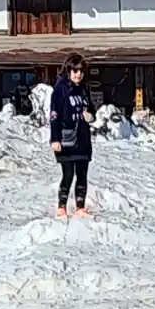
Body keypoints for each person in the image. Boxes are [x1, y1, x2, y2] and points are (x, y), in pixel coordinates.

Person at [49, 53, 94, 220]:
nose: (78, 74)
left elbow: (91, 108)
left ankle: (80, 207)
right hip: (66, 139)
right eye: (75, 71)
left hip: (83, 138)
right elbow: (54, 115)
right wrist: (55, 139)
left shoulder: (83, 89)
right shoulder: (60, 90)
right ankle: (61, 207)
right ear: (68, 71)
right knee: (68, 174)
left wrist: (90, 116)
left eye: (81, 71)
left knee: (82, 173)